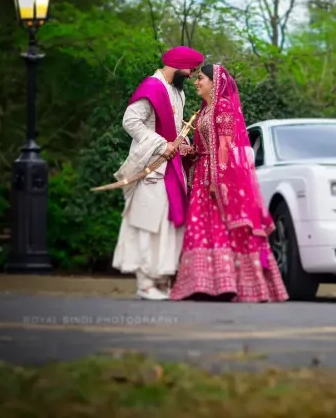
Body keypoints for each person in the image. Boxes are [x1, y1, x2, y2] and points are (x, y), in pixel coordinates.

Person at [170, 64, 288, 303]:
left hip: (216, 178)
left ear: (215, 82)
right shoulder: (204, 111)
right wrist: (190, 152)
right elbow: (206, 146)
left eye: (201, 78)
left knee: (221, 229)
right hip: (202, 176)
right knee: (203, 230)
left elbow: (225, 145)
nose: (196, 82)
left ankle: (228, 285)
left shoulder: (222, 106)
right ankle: (203, 285)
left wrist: (218, 179)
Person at [111, 46, 204, 300]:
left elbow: (174, 131)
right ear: (178, 64)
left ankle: (161, 279)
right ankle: (145, 283)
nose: (192, 74)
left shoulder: (177, 92)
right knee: (146, 223)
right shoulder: (152, 87)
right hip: (151, 167)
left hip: (171, 167)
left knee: (168, 222)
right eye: (190, 69)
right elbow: (130, 122)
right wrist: (161, 145)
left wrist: (182, 147)